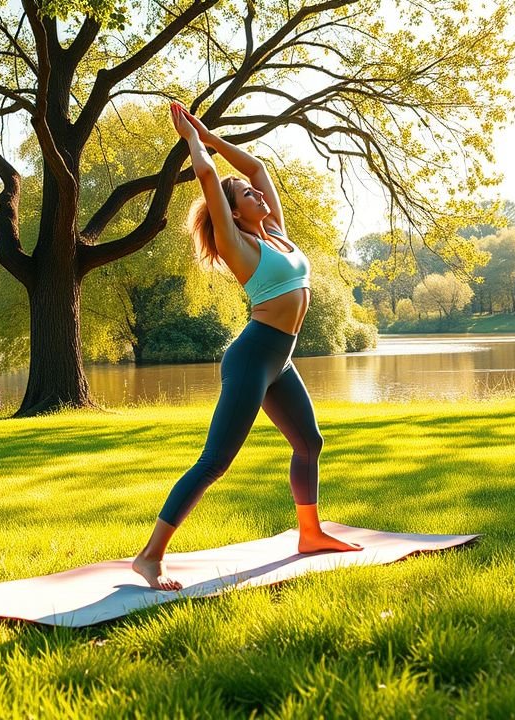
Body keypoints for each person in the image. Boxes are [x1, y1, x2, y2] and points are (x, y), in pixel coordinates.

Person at [131, 102, 363, 591]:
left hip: (281, 358)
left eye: (256, 192)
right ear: (233, 212)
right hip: (254, 356)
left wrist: (211, 133)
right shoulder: (241, 246)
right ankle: (150, 556)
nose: (256, 191)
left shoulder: (276, 232)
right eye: (245, 195)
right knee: (215, 460)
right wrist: (193, 142)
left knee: (309, 442)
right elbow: (210, 179)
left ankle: (310, 534)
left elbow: (256, 166)